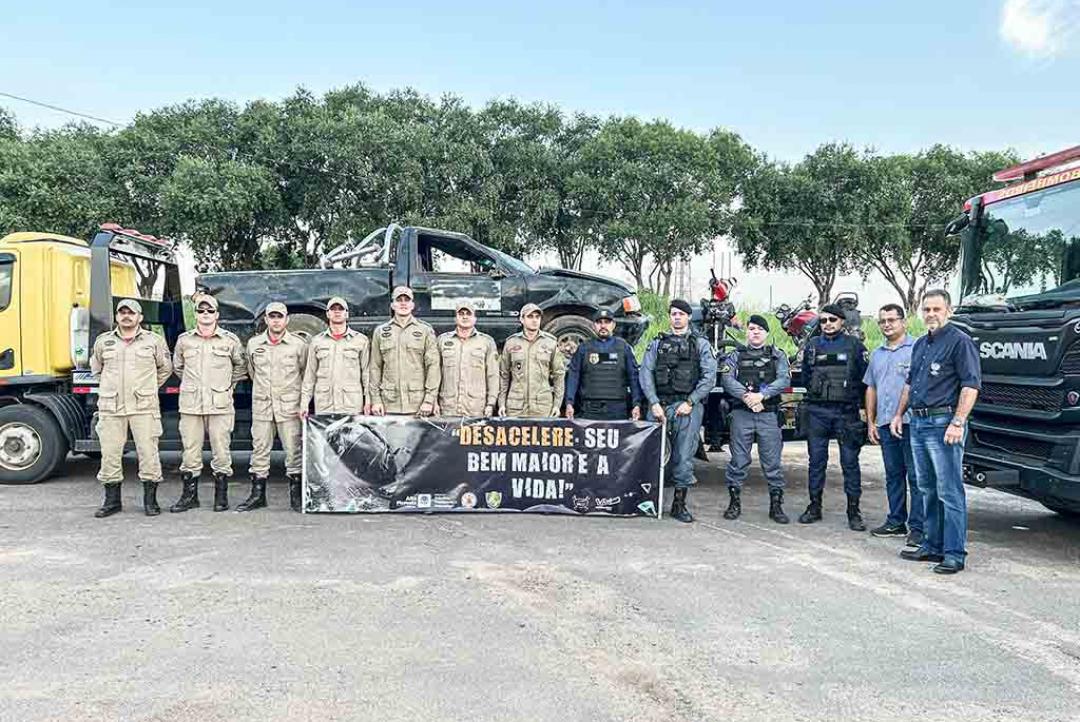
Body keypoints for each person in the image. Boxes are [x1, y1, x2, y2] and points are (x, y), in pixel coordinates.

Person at [892, 289, 980, 575]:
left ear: (948, 311)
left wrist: (958, 422)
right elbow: (910, 384)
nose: (931, 314)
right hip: (917, 423)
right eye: (927, 309)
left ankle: (954, 552)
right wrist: (898, 414)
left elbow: (970, 385)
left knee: (949, 490)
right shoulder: (920, 345)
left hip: (944, 425)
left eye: (936, 309)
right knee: (926, 488)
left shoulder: (960, 342)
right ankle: (932, 545)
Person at [90, 299, 172, 518]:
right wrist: (111, 389)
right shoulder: (104, 342)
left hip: (143, 407)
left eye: (131, 313)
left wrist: (148, 389)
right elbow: (97, 370)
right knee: (110, 455)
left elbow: (165, 369)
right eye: (122, 312)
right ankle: (112, 501)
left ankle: (150, 501)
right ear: (117, 316)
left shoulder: (153, 341)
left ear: (140, 317)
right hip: (111, 407)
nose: (126, 316)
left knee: (148, 454)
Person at [640, 299, 718, 523]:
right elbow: (646, 372)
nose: (676, 317)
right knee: (651, 456)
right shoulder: (657, 342)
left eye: (681, 314)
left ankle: (679, 504)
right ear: (669, 317)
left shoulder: (700, 344)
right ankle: (650, 502)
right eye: (673, 314)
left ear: (688, 317)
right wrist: (653, 402)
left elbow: (709, 377)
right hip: (659, 407)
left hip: (686, 407)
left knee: (683, 458)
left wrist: (691, 402)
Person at [170, 293, 246, 513]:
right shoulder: (185, 340)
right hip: (191, 405)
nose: (205, 314)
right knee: (190, 453)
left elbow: (240, 367)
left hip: (219, 405)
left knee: (221, 452)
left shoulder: (230, 340)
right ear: (195, 314)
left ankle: (221, 497)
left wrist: (226, 387)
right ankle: (189, 496)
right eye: (201, 311)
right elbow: (178, 367)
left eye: (209, 311)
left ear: (217, 315)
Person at [798, 303, 870, 530]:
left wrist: (863, 410)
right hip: (818, 411)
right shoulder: (812, 345)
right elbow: (806, 377)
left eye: (832, 320)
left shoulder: (855, 346)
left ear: (842, 321)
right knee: (816, 462)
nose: (827, 324)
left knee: (850, 463)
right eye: (823, 321)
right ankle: (814, 506)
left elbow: (864, 380)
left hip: (845, 412)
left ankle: (853, 512)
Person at [720, 314, 791, 523]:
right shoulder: (734, 355)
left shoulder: (777, 354)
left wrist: (762, 395)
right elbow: (727, 379)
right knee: (738, 461)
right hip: (742, 414)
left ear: (767, 333)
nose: (755, 332)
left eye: (760, 329)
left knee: (772, 464)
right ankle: (734, 504)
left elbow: (784, 378)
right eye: (751, 328)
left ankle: (776, 507)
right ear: (746, 332)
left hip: (768, 414)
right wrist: (747, 397)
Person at [864, 304, 924, 546]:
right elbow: (871, 387)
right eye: (882, 321)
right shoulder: (877, 354)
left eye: (892, 319)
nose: (887, 324)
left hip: (912, 424)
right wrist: (871, 422)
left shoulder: (917, 348)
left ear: (903, 322)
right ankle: (896, 521)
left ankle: (918, 527)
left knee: (916, 476)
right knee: (893, 475)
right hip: (886, 423)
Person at [241, 302, 308, 513]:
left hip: (289, 407)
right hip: (262, 406)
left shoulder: (298, 345)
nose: (276, 320)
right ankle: (257, 495)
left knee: (293, 452)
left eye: (280, 316)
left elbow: (305, 373)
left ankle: (296, 496)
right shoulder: (254, 344)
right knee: (259, 450)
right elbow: (252, 372)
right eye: (272, 317)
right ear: (266, 320)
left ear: (287, 320)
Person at [369, 286, 440, 416]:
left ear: (412, 305)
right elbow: (375, 367)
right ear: (392, 305)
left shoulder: (425, 331)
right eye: (399, 300)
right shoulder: (380, 332)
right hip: (389, 404)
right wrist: (376, 399)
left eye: (406, 300)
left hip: (418, 405)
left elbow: (433, 367)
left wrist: (429, 400)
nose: (403, 303)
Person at [564, 309, 643, 421]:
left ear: (613, 325)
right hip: (589, 409)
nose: (603, 326)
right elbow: (573, 376)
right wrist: (569, 402)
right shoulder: (584, 348)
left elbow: (634, 377)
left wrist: (637, 404)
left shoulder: (624, 347)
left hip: (617, 410)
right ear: (594, 325)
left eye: (607, 322)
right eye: (599, 322)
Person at [300, 296, 371, 416]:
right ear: (328, 314)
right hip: (325, 405)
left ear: (347, 314)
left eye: (341, 309)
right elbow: (310, 375)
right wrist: (304, 402)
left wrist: (368, 401)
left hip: (351, 405)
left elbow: (367, 374)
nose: (337, 312)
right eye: (333, 309)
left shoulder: (360, 340)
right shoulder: (317, 341)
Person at [499, 303, 567, 418]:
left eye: (537, 317)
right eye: (530, 317)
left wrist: (557, 405)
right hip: (516, 406)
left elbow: (559, 375)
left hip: (542, 406)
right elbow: (503, 375)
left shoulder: (550, 343)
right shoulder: (511, 343)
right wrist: (501, 403)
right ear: (522, 319)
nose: (534, 320)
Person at [435, 301, 500, 417]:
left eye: (468, 314)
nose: (465, 316)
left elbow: (493, 375)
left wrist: (491, 404)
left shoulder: (486, 342)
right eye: (461, 314)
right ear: (455, 318)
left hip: (476, 408)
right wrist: (434, 401)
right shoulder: (442, 340)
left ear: (475, 318)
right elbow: (435, 374)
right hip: (448, 408)